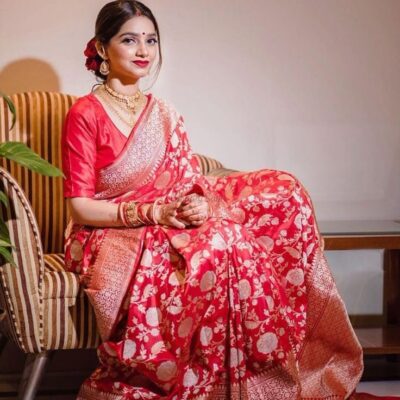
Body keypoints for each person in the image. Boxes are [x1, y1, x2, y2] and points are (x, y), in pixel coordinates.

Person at [62, 1, 388, 399]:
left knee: (275, 198)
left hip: (167, 218)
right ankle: (189, 380)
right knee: (219, 241)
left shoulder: (164, 113)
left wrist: (196, 203)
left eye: (151, 40)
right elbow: (80, 206)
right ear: (102, 47)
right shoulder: (86, 113)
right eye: (129, 40)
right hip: (107, 231)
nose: (143, 50)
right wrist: (152, 212)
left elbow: (185, 181)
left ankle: (252, 377)